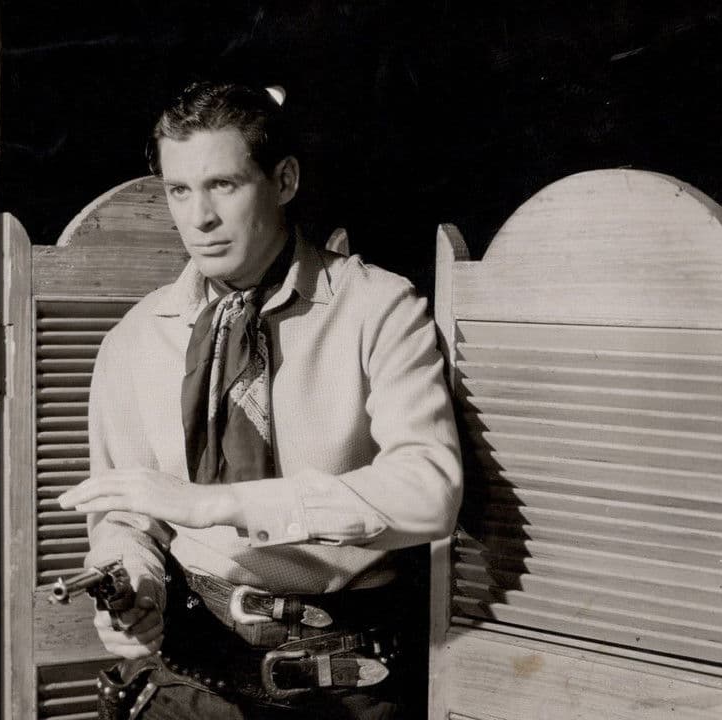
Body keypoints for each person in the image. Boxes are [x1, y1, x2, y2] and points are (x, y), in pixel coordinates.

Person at [58, 80, 462, 719]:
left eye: (223, 185)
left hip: (347, 687)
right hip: (188, 683)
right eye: (179, 190)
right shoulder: (134, 339)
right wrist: (136, 582)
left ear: (285, 180)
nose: (199, 218)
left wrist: (218, 503)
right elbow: (127, 517)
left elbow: (430, 491)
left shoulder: (379, 308)